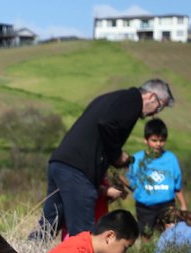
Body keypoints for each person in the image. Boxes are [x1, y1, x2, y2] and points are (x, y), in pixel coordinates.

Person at [30, 79, 174, 240]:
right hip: (78, 170)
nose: (155, 113)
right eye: (160, 106)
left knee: (49, 225)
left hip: (61, 162)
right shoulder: (132, 101)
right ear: (151, 96)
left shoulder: (115, 98)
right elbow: (106, 123)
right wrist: (117, 155)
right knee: (83, 234)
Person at [127, 118, 186, 238]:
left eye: (162, 140)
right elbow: (131, 182)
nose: (158, 144)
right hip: (145, 208)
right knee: (146, 236)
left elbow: (177, 186)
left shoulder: (171, 159)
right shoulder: (137, 160)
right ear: (146, 140)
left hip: (167, 205)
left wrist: (183, 205)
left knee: (170, 236)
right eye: (154, 140)